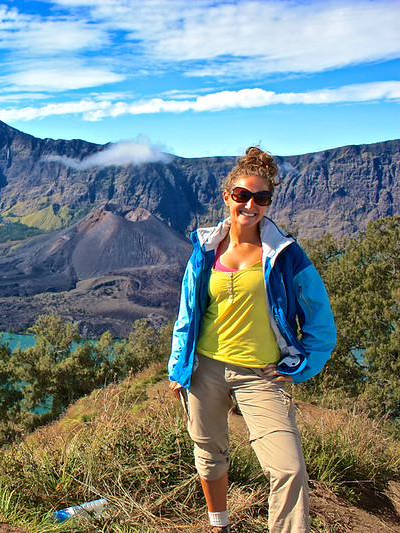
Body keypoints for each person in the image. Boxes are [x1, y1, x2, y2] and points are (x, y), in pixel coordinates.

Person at [167, 146, 336, 532]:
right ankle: (219, 525)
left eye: (261, 198)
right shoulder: (205, 250)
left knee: (289, 468)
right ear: (227, 196)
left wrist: (302, 366)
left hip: (260, 373)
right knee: (210, 455)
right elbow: (187, 314)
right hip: (205, 368)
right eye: (242, 195)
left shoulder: (285, 254)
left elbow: (320, 320)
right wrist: (179, 367)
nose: (250, 204)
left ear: (269, 202)